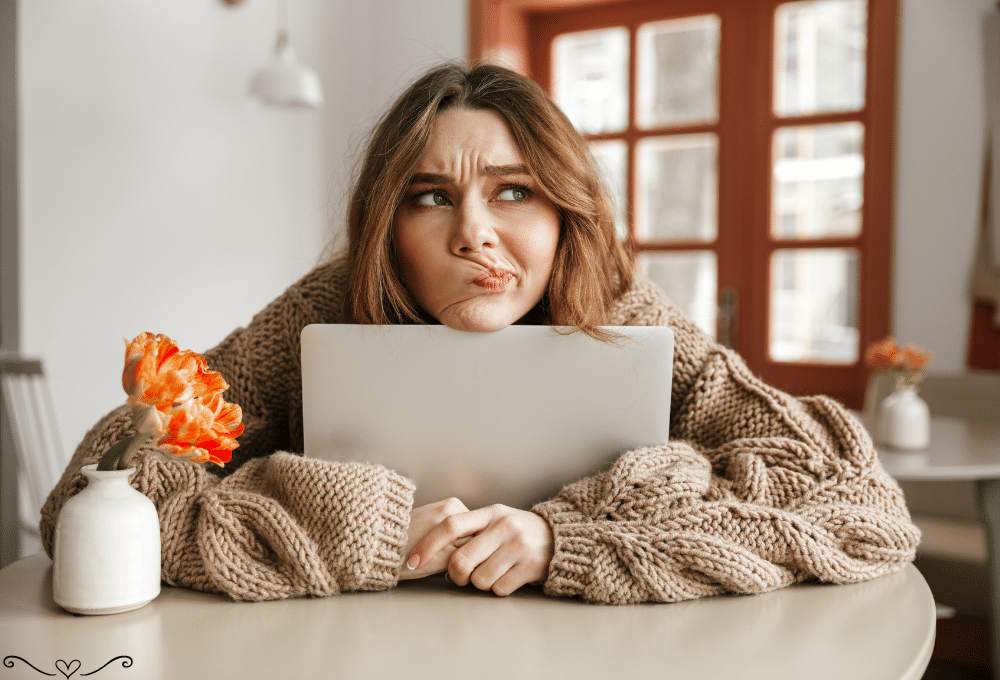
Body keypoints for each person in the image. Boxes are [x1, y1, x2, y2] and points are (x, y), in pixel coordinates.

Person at [40, 63, 919, 604]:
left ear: (564, 212)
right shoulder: (322, 311)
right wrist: (363, 530)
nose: (473, 233)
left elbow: (858, 509)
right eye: (431, 196)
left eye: (512, 190)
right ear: (389, 226)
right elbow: (90, 501)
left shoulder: (622, 313)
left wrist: (570, 544)